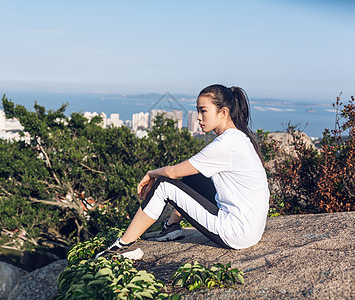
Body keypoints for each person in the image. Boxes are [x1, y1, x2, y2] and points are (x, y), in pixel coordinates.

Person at [96, 84, 270, 260]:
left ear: (223, 113)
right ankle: (172, 227)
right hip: (249, 228)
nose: (199, 118)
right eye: (197, 111)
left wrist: (151, 174)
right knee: (192, 175)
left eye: (203, 111)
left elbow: (172, 172)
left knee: (164, 185)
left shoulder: (225, 145)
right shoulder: (239, 137)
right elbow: (183, 172)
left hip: (236, 232)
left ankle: (123, 246)